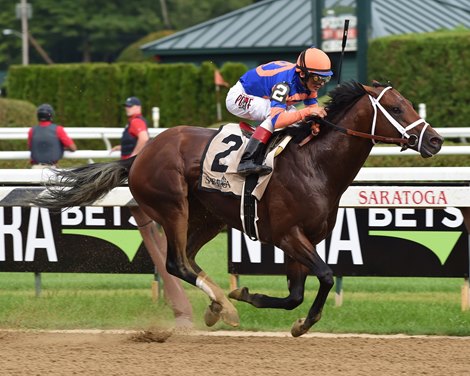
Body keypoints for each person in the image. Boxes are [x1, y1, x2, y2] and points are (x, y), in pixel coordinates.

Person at [112, 96, 193, 328]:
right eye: (126, 106)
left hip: (135, 175)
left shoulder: (137, 122)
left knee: (154, 236)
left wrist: (132, 160)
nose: (129, 109)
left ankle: (180, 306)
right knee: (157, 238)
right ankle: (178, 303)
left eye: (131, 106)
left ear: (138, 107)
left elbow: (144, 139)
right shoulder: (133, 122)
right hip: (138, 174)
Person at [225, 47, 332, 176]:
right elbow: (278, 121)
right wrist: (305, 113)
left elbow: (312, 110)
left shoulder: (309, 84)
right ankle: (247, 160)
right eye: (316, 79)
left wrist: (315, 125)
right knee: (277, 115)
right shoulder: (284, 84)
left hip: (262, 97)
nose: (320, 84)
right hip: (238, 96)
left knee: (294, 117)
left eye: (325, 79)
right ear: (302, 74)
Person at [28, 103, 77, 168]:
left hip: (35, 167)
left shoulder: (32, 130)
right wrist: (59, 148)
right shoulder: (58, 129)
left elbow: (31, 147)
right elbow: (73, 148)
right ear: (51, 116)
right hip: (52, 168)